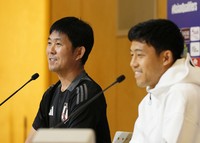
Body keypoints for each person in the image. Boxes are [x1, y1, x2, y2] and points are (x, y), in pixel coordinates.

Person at [25, 17, 111, 143]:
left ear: (79, 53)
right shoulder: (50, 94)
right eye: (49, 43)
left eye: (58, 44)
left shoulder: (86, 93)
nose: (51, 50)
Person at [128, 19, 200, 143]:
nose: (133, 63)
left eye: (139, 55)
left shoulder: (182, 93)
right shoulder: (149, 99)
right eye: (131, 55)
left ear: (166, 58)